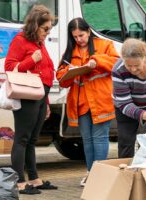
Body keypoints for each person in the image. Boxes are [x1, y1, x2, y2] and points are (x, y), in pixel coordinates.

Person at [56, 17, 119, 186]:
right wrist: (70, 72)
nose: (79, 40)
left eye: (81, 35)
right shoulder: (71, 51)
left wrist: (96, 61)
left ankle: (100, 175)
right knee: (87, 139)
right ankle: (91, 173)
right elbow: (61, 78)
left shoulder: (104, 45)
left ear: (89, 31)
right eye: (75, 37)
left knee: (99, 138)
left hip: (100, 100)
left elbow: (117, 63)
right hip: (80, 103)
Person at [4, 5, 57, 195]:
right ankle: (18, 181)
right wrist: (31, 61)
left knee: (33, 139)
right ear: (35, 26)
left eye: (49, 29)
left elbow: (45, 74)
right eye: (45, 29)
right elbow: (9, 67)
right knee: (22, 138)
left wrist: (47, 102)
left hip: (40, 95)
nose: (47, 33)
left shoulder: (39, 43)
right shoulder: (21, 40)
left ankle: (34, 179)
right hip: (27, 95)